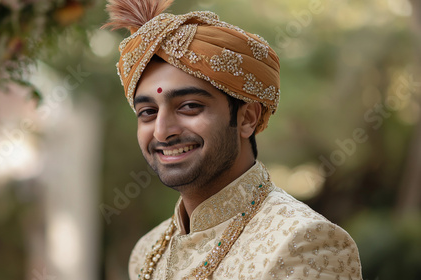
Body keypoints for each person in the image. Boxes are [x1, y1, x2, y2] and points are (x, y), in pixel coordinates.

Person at [103, 0, 362, 279]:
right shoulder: (147, 252)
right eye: (148, 112)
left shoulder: (304, 243)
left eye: (189, 106)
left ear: (247, 118)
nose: (161, 131)